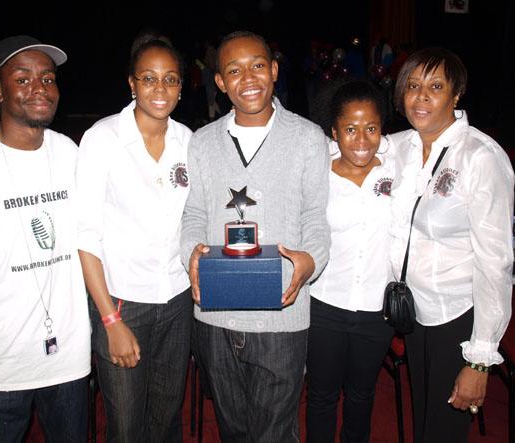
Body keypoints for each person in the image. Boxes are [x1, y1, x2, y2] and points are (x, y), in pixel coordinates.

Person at [181, 30, 330, 442]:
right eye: (234, 70)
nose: (248, 78)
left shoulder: (308, 138)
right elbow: (194, 213)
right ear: (219, 82)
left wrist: (311, 260)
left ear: (275, 70)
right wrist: (190, 253)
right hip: (215, 313)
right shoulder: (203, 141)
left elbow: (316, 217)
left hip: (282, 312)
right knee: (232, 429)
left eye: (258, 65)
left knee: (275, 432)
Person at [0, 35, 91, 442]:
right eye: (22, 79)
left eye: (47, 78)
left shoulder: (69, 152)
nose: (39, 88)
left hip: (68, 357)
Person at [389, 47, 514, 442]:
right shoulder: (400, 147)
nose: (421, 97)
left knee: (443, 431)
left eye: (436, 87)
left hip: (457, 315)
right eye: (413, 86)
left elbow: (495, 263)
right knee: (424, 421)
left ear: (456, 93)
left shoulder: (481, 157)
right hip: (413, 311)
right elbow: (344, 144)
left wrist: (479, 359)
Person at [76, 33, 193, 442]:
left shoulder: (187, 141)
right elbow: (85, 237)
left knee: (167, 417)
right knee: (126, 426)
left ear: (181, 87)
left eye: (170, 79)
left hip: (177, 300)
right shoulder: (103, 138)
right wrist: (110, 321)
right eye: (149, 78)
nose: (160, 88)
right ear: (132, 83)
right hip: (123, 303)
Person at [306, 80, 395, 443]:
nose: (361, 139)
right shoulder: (317, 173)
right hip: (325, 303)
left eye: (371, 128)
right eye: (350, 129)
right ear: (334, 132)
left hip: (377, 308)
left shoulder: (397, 168)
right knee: (321, 396)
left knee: (362, 395)